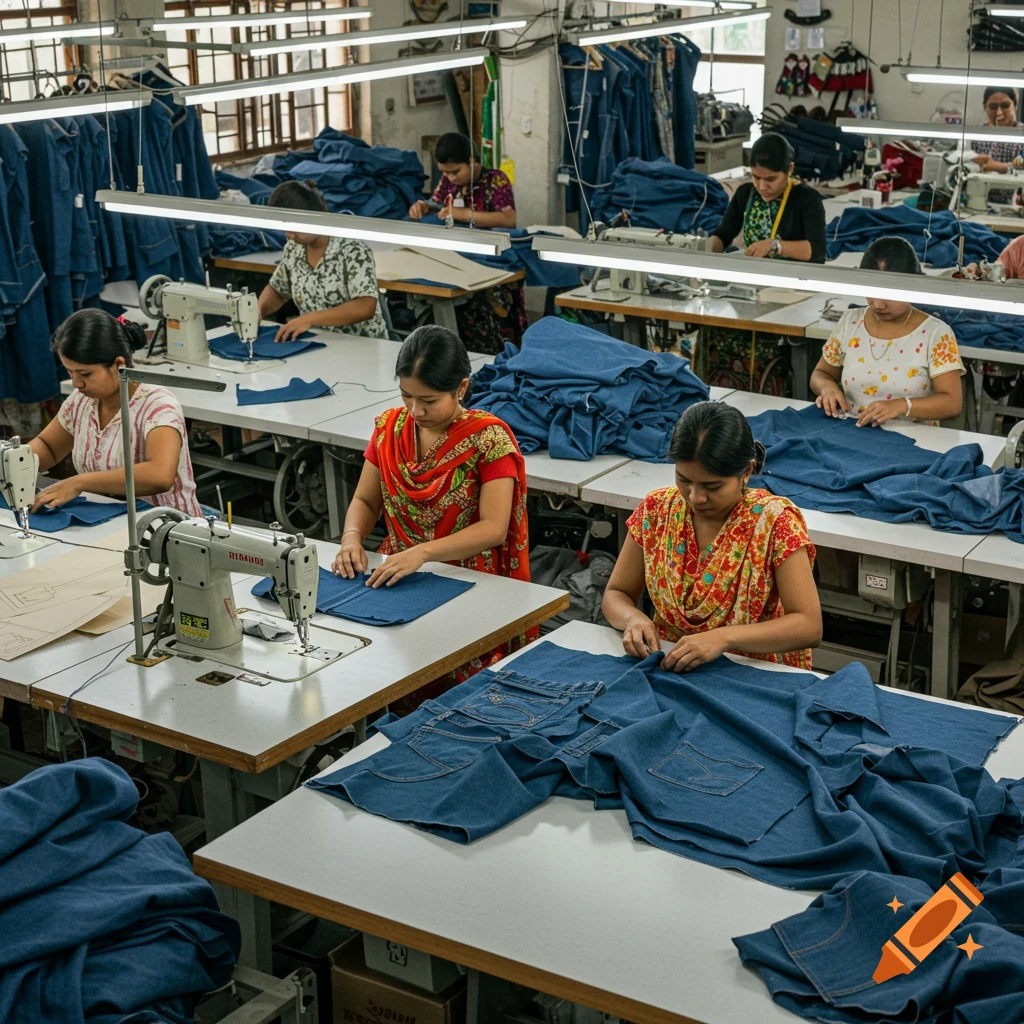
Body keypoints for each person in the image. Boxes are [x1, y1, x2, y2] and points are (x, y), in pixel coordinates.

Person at [332, 325, 531, 682]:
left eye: (428, 401)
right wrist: (351, 538)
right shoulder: (389, 429)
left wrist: (422, 553)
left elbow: (494, 527)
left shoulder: (489, 439)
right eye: (407, 396)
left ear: (462, 388)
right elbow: (365, 498)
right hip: (399, 573)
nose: (415, 410)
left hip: (467, 581)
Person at [602, 402, 821, 672]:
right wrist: (633, 618)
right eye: (684, 480)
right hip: (670, 666)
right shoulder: (657, 510)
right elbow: (616, 593)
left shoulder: (775, 525)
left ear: (747, 472)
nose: (696, 497)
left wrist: (723, 638)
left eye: (712, 486)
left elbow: (809, 625)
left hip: (750, 672)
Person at [29, 309, 202, 516]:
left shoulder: (157, 406)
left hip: (165, 529)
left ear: (118, 364)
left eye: (85, 374)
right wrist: (12, 461)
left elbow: (159, 475)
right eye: (69, 372)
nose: (76, 383)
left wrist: (80, 482)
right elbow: (48, 447)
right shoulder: (81, 401)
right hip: (107, 519)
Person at [810, 236, 965, 427]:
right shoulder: (851, 323)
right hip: (854, 433)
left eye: (890, 295)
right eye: (871, 292)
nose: (878, 304)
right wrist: (827, 388)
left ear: (913, 286)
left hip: (916, 441)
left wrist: (902, 406)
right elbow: (820, 373)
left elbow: (952, 403)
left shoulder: (936, 334)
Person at [408, 133, 525, 353]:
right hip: (460, 261)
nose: (450, 178)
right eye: (445, 173)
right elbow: (436, 203)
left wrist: (463, 214)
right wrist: (424, 207)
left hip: (493, 264)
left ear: (472, 161)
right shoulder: (447, 182)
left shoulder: (496, 180)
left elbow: (508, 219)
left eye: (455, 172)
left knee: (497, 334)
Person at [258, 180, 389, 341]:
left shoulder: (352, 249)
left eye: (294, 227)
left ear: (315, 216)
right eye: (285, 227)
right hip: (318, 344)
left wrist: (308, 319)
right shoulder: (294, 249)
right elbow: (278, 291)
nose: (288, 234)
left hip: (362, 348)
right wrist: (257, 310)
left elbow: (365, 306)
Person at [710, 133, 827, 263]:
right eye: (756, 177)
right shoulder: (746, 194)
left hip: (795, 277)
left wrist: (775, 246)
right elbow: (723, 235)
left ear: (790, 169)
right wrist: (705, 248)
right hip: (757, 271)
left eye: (770, 179)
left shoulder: (807, 199)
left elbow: (817, 251)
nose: (762, 187)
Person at [971, 87, 1024, 204]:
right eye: (993, 107)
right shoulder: (976, 136)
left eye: (1005, 106)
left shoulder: (1022, 135)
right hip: (977, 203)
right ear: (985, 108)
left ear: (1015, 106)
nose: (999, 113)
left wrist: (1001, 167)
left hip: (1016, 205)